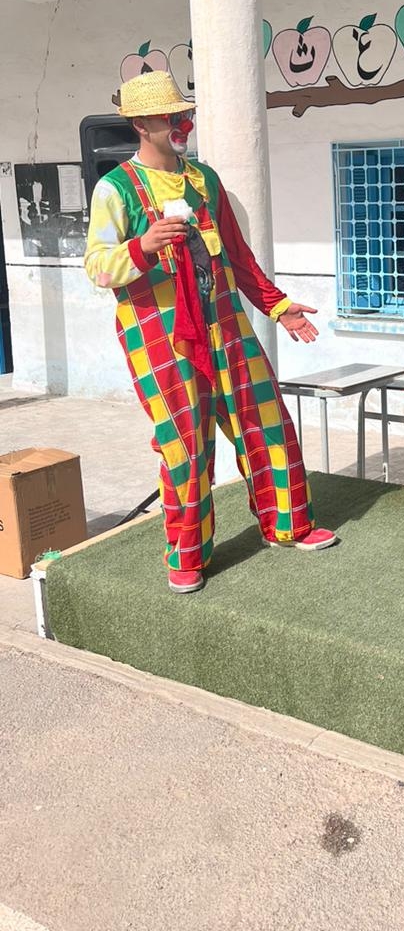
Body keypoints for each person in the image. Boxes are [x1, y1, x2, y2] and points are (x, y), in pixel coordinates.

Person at [84, 70, 337, 594]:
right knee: (184, 446)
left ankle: (290, 526)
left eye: (186, 114)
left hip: (225, 324)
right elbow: (96, 268)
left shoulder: (204, 179)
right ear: (140, 124)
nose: (184, 123)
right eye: (172, 117)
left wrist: (279, 307)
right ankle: (187, 554)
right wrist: (143, 245)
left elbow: (239, 257)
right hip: (161, 335)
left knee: (266, 422)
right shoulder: (115, 190)